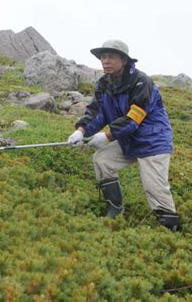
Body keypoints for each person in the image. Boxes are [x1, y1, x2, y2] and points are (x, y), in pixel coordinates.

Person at [67, 39, 180, 231]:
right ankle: (115, 208)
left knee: (154, 187)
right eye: (103, 57)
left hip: (153, 141)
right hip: (128, 139)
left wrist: (108, 136)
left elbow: (135, 117)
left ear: (124, 60)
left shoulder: (141, 82)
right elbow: (97, 112)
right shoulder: (104, 84)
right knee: (102, 159)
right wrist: (81, 131)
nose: (106, 61)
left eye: (111, 56)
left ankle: (169, 227)